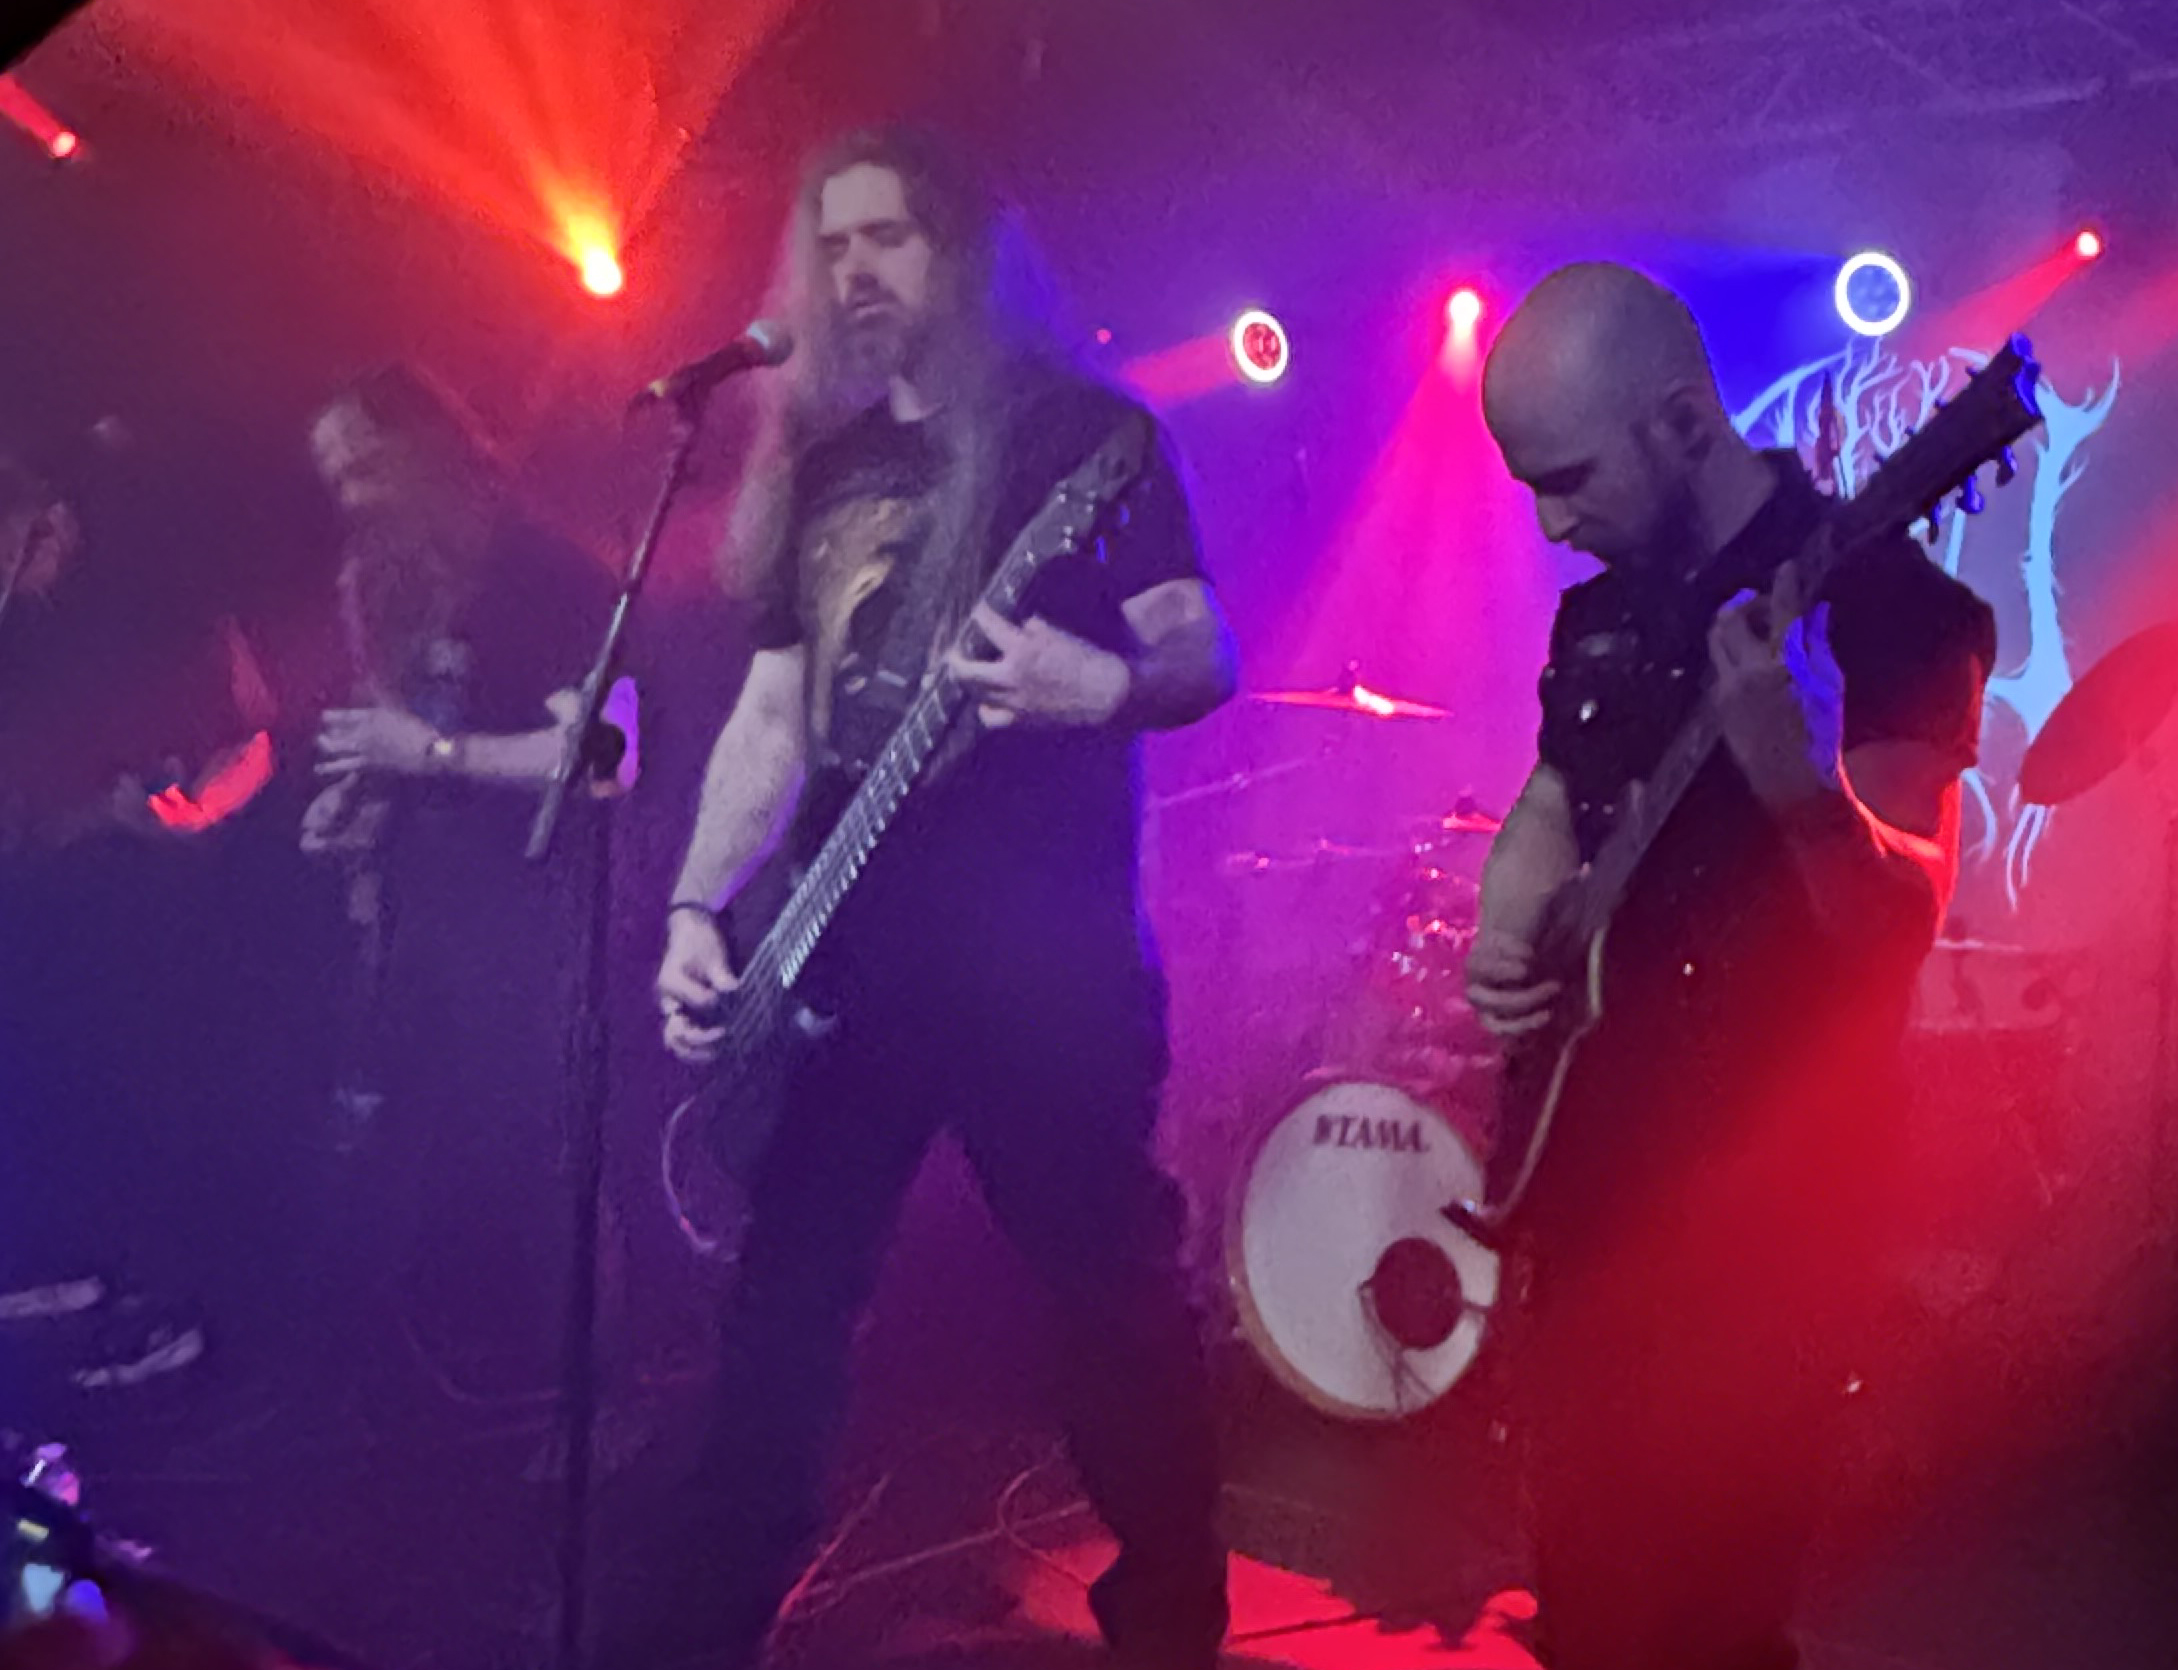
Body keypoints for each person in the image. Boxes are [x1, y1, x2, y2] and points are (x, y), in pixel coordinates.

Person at [641, 127, 1237, 1670]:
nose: (854, 272)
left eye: (888, 238)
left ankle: (1171, 1619)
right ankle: (706, 1626)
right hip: (845, 960)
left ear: (960, 254)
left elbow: (1197, 647)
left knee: (1108, 1298)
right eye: (832, 243)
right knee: (781, 1305)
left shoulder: (1086, 440)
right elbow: (773, 718)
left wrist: (1098, 681)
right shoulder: (824, 466)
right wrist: (698, 907)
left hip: (1044, 965)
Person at [1465, 261, 1998, 1670]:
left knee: (1706, 1616)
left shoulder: (1891, 608)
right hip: (1594, 1165)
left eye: (1568, 478)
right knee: (1584, 1593)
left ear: (1682, 425)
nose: (1549, 521)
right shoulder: (1603, 611)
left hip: (1766, 1200)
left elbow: (1899, 923)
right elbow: (1550, 797)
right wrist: (1505, 924)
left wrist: (1799, 787)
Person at [300, 367, 634, 1399]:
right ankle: (370, 1385)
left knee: (543, 1146)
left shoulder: (540, 572)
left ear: (428, 451)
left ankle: (599, 1391)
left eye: (366, 466)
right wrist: (356, 804)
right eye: (334, 477)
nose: (352, 496)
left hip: (531, 901)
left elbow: (607, 755)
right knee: (392, 1133)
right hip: (426, 903)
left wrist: (433, 755)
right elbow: (399, 734)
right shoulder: (384, 582)